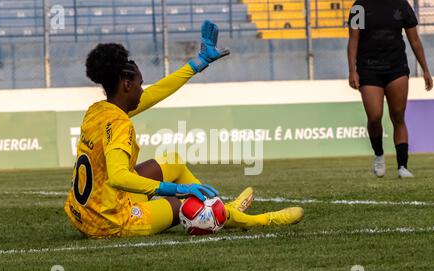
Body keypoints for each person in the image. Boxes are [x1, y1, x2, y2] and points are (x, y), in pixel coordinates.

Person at [64, 21, 304, 239]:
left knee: (173, 162)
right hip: (110, 222)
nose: (142, 89)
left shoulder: (98, 110)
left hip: (85, 212)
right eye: (140, 83)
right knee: (190, 205)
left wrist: (197, 64)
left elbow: (154, 94)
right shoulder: (120, 123)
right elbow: (119, 177)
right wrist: (178, 189)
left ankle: (222, 208)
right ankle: (256, 220)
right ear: (126, 83)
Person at [348, 0, 433, 178]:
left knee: (398, 116)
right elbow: (353, 40)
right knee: (374, 116)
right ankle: (378, 155)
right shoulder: (359, 7)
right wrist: (352, 71)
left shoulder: (402, 5)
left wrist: (425, 69)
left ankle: (402, 166)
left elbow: (414, 40)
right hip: (369, 69)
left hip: (396, 68)